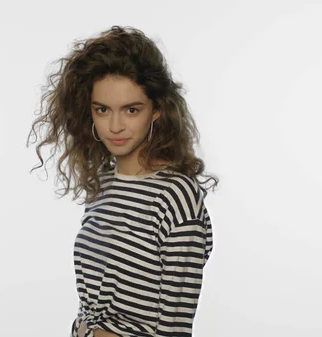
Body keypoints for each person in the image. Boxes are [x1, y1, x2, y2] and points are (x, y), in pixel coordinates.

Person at [26, 25, 219, 337]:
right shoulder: (102, 185)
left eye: (131, 110)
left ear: (157, 109)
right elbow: (91, 306)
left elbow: (176, 327)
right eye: (102, 110)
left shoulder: (176, 196)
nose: (115, 126)